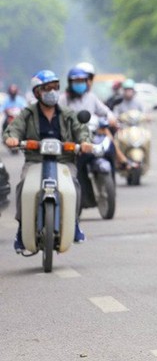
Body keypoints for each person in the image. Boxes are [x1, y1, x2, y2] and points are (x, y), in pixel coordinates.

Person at [3, 70, 92, 253]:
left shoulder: (67, 113)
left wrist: (84, 142)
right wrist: (12, 138)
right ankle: (22, 229)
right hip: (35, 160)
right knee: (23, 187)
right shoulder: (27, 113)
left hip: (64, 160)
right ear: (37, 92)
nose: (52, 92)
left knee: (74, 185)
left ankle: (73, 223)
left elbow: (81, 129)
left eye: (55, 87)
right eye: (47, 88)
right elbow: (13, 129)